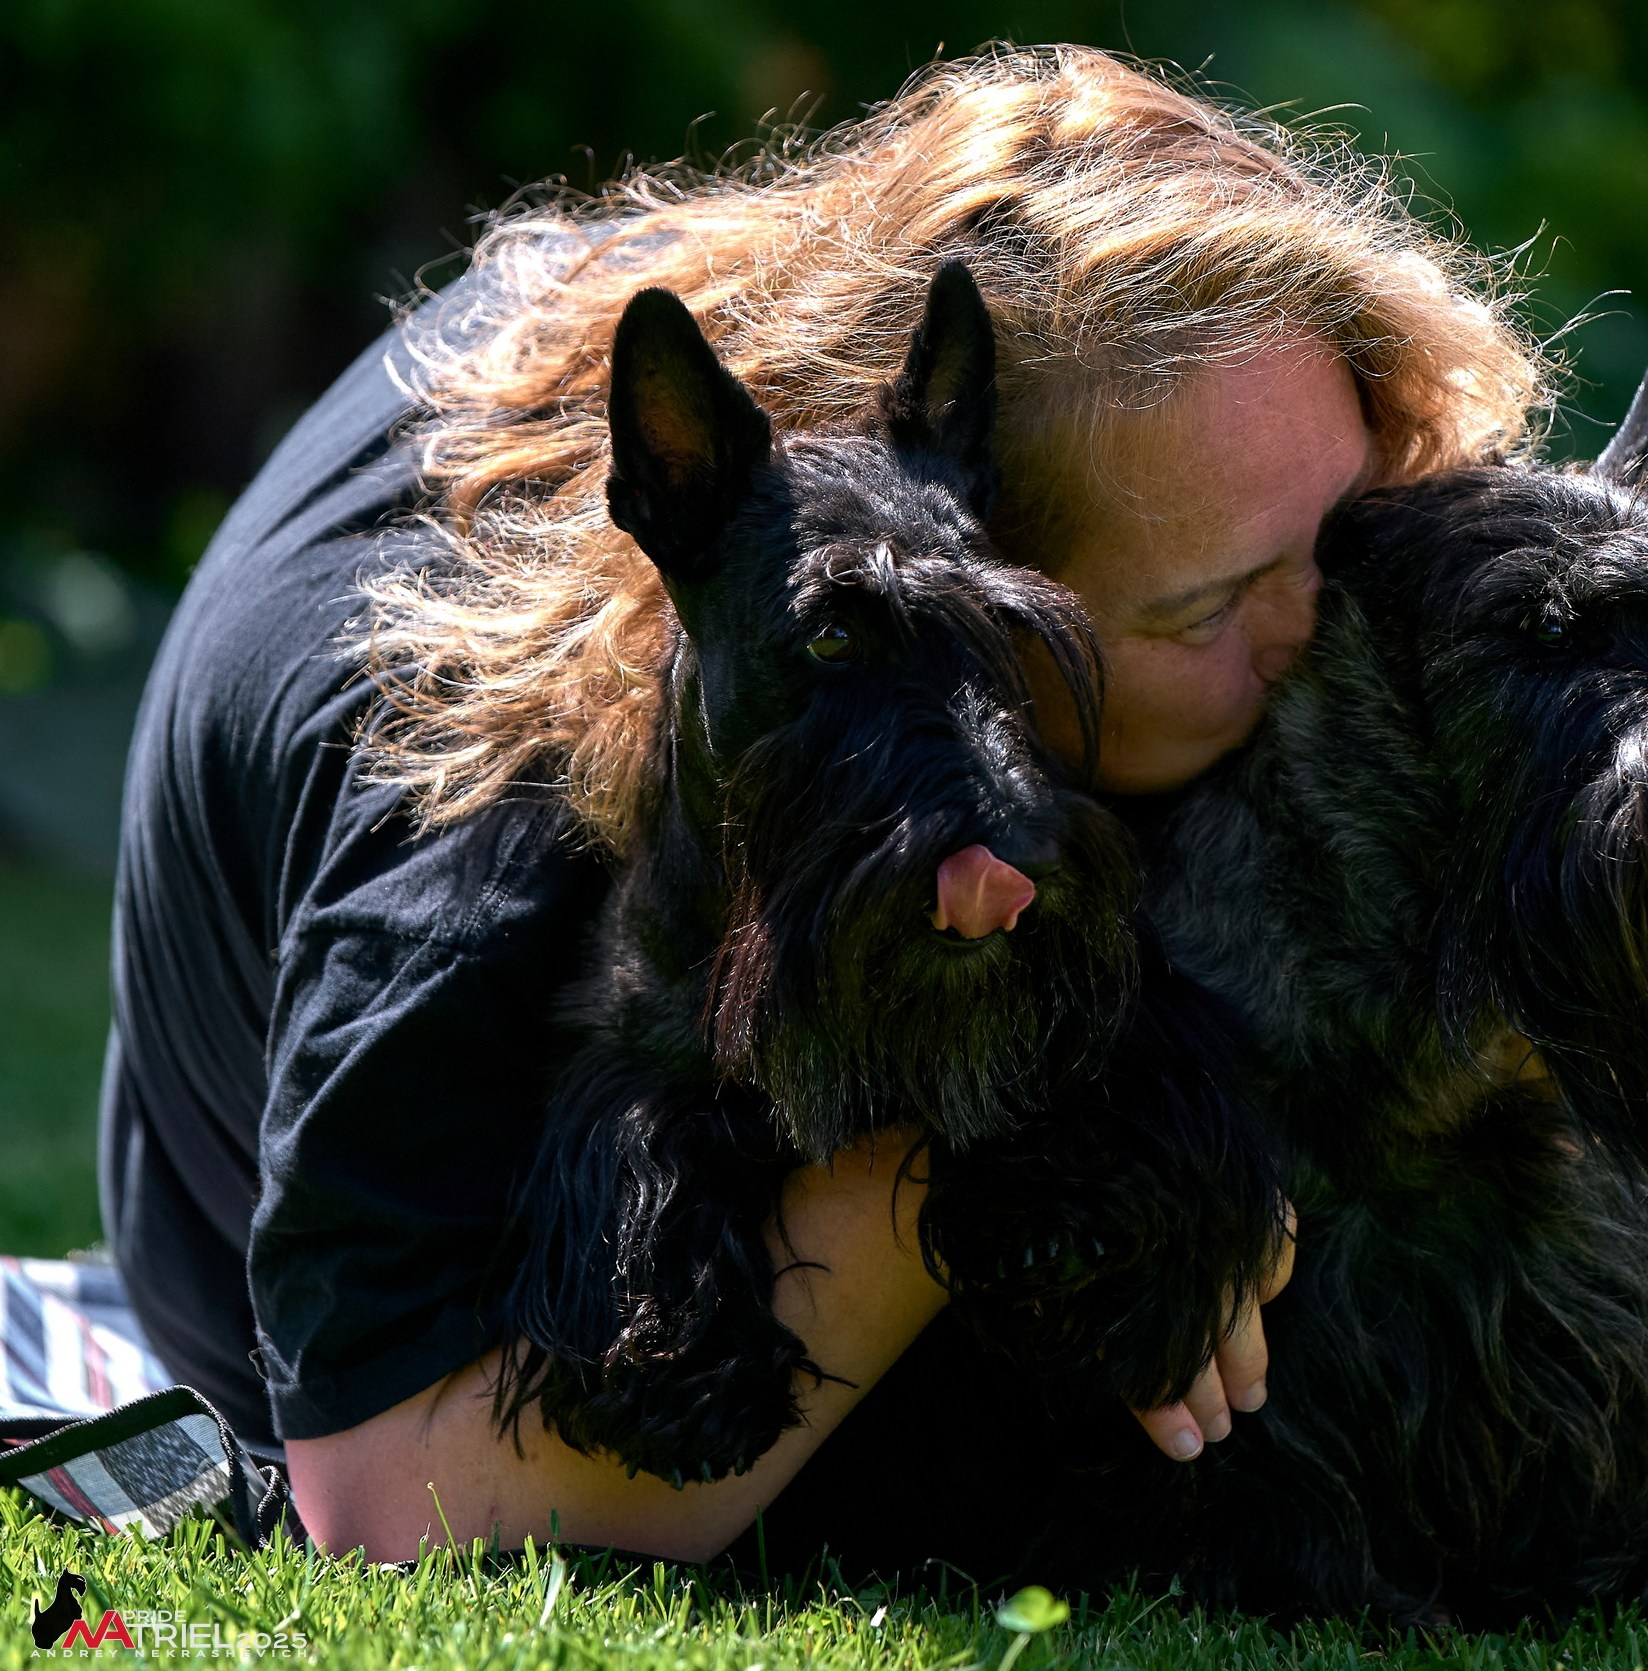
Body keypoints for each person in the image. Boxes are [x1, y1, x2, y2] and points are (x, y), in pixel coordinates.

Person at [102, 46, 1547, 1564]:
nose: (1327, 644)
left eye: (1346, 545)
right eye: (1205, 609)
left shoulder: (978, 431)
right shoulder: (476, 827)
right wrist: (1026, 1141)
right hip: (283, 1304)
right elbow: (389, 1508)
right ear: (968, 582)